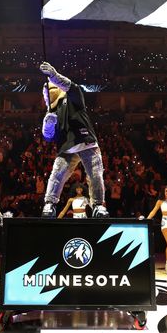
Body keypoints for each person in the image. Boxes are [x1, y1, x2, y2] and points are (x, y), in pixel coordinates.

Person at [39, 62, 108, 218]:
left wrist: (54, 76)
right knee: (56, 174)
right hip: (66, 147)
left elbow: (73, 87)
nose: (50, 90)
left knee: (95, 174)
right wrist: (47, 125)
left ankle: (98, 205)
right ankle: (50, 204)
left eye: (52, 86)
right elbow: (49, 137)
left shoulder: (72, 98)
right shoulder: (51, 112)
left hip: (86, 142)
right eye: (47, 89)